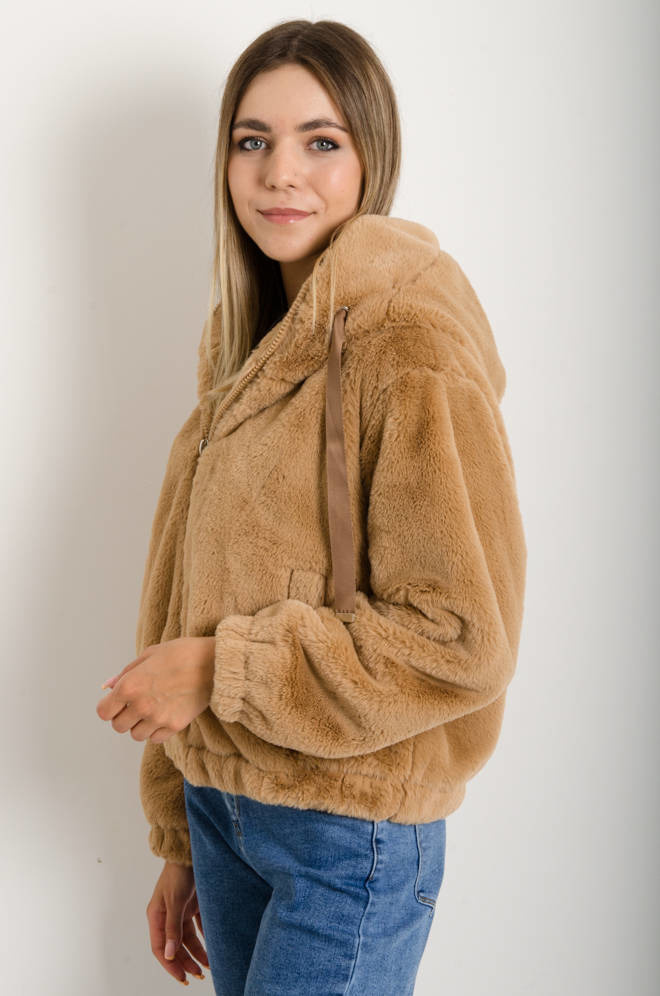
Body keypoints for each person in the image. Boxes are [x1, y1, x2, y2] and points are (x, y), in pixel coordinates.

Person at [96, 18, 527, 995]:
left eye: (320, 141)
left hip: (347, 831)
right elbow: (183, 594)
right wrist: (180, 831)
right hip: (227, 814)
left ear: (373, 158)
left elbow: (462, 637)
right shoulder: (247, 347)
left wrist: (225, 670)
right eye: (252, 140)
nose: (279, 172)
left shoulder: (407, 340)